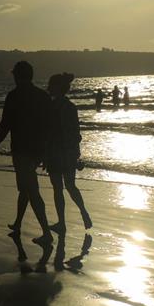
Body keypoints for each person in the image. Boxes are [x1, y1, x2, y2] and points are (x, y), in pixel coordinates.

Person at [0, 60, 54, 250]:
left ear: (17, 75)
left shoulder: (13, 96)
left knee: (31, 190)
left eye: (15, 74)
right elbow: (50, 126)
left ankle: (47, 233)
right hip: (38, 150)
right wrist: (47, 151)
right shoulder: (42, 96)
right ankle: (17, 224)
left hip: (21, 150)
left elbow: (5, 125)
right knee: (26, 187)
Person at [45, 73, 93, 232]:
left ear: (56, 88)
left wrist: (45, 153)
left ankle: (62, 223)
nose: (48, 88)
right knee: (71, 186)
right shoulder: (71, 107)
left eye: (51, 85)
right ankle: (83, 212)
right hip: (68, 152)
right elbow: (76, 134)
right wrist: (75, 154)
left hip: (55, 152)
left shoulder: (51, 107)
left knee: (58, 189)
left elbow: (49, 133)